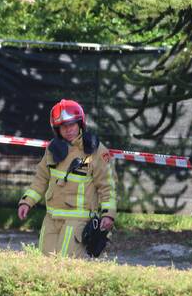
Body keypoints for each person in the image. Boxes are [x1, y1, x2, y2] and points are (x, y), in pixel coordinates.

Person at [17, 99, 117, 258]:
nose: (68, 130)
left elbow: (107, 186)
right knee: (44, 261)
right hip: (51, 218)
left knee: (66, 263)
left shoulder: (95, 152)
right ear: (57, 129)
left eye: (72, 124)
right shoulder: (52, 150)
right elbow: (41, 179)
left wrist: (108, 214)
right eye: (63, 126)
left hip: (77, 220)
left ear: (80, 124)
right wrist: (27, 201)